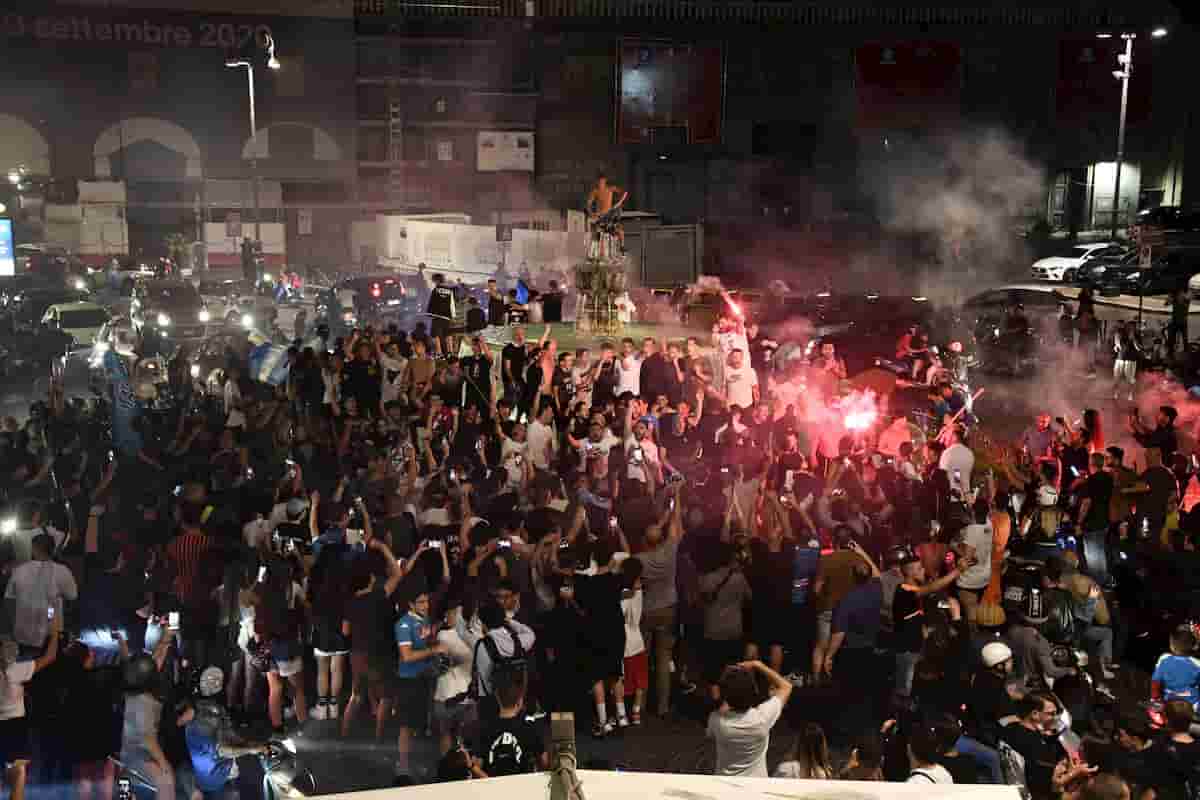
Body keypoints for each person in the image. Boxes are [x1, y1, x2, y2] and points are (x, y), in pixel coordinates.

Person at [184, 667, 268, 800]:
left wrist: (249, 744)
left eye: (217, 680)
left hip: (226, 770)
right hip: (214, 779)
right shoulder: (200, 720)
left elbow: (228, 733)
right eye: (211, 681)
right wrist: (250, 748)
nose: (216, 683)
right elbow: (222, 750)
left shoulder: (216, 708)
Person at [0, 628, 60, 800]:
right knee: (19, 774)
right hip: (15, 727)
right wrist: (55, 634)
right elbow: (49, 657)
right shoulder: (14, 670)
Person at [706, 659, 793, 777]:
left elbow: (710, 734)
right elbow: (786, 686)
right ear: (753, 691)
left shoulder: (717, 720)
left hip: (725, 787)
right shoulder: (762, 718)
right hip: (757, 786)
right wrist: (758, 665)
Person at [1151, 625, 1200, 707]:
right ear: (1193, 646)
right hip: (1193, 704)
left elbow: (1155, 682)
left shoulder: (1164, 659)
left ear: (1171, 645)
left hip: (1169, 701)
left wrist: (1154, 699)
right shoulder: (1197, 664)